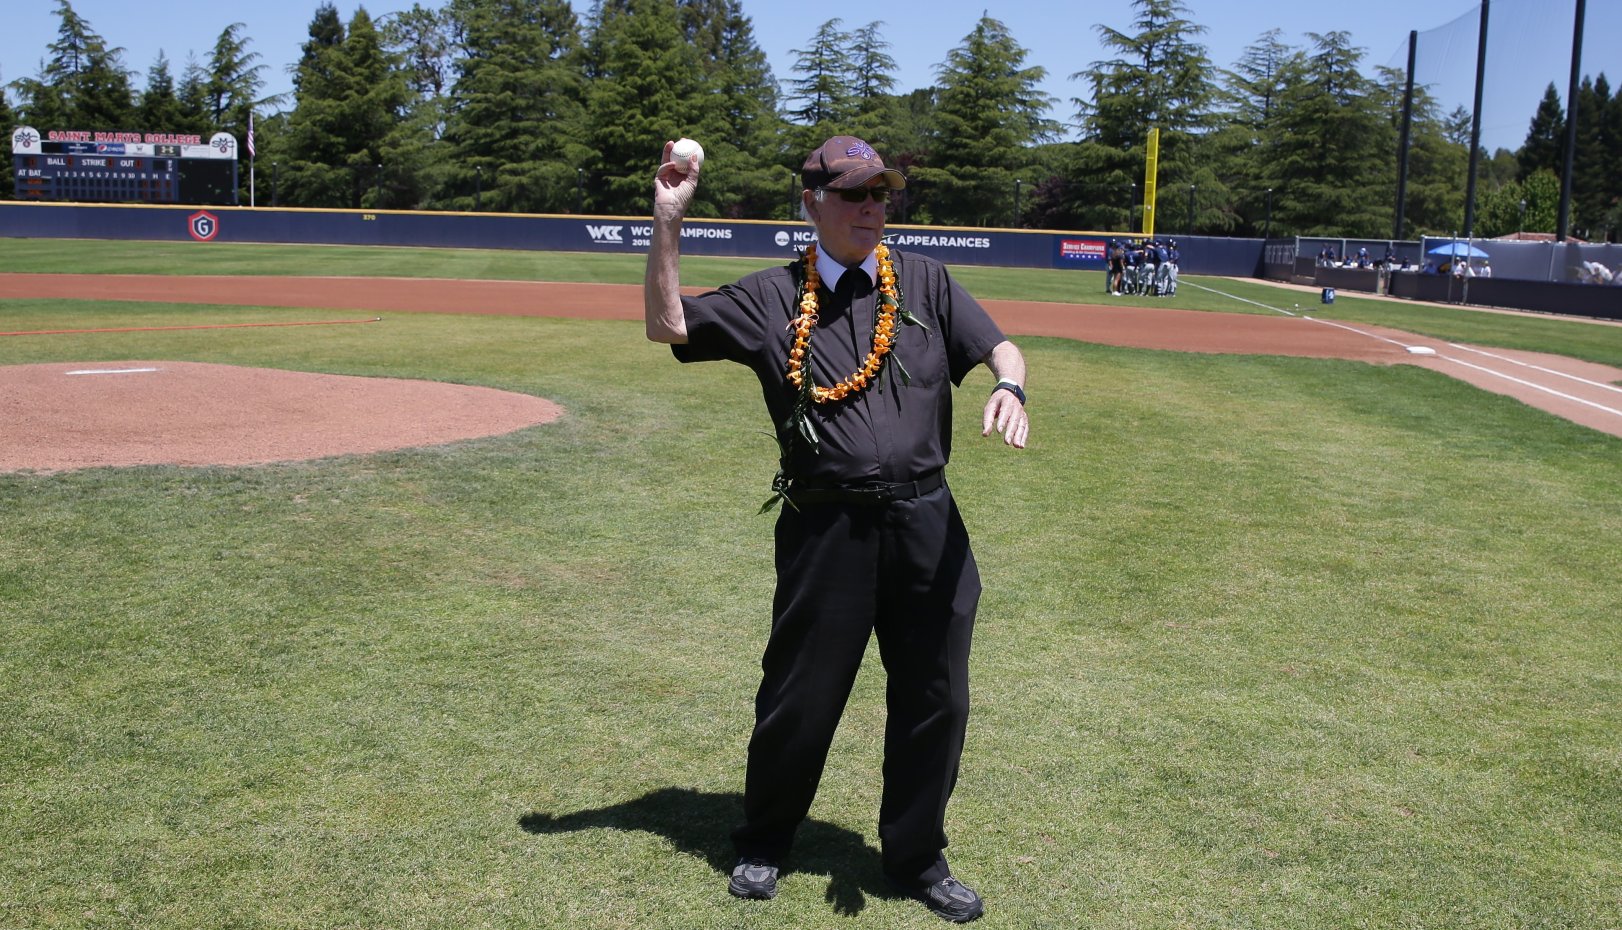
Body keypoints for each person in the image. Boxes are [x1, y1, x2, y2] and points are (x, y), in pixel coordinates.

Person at [643, 134, 1030, 924]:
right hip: (828, 531)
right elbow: (667, 324)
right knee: (801, 696)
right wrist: (668, 220)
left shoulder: (925, 280)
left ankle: (917, 856)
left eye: (881, 192)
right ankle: (764, 839)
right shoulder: (772, 297)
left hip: (927, 525)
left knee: (937, 698)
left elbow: (1001, 347)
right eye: (854, 193)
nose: (872, 207)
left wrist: (1011, 386)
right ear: (812, 202)